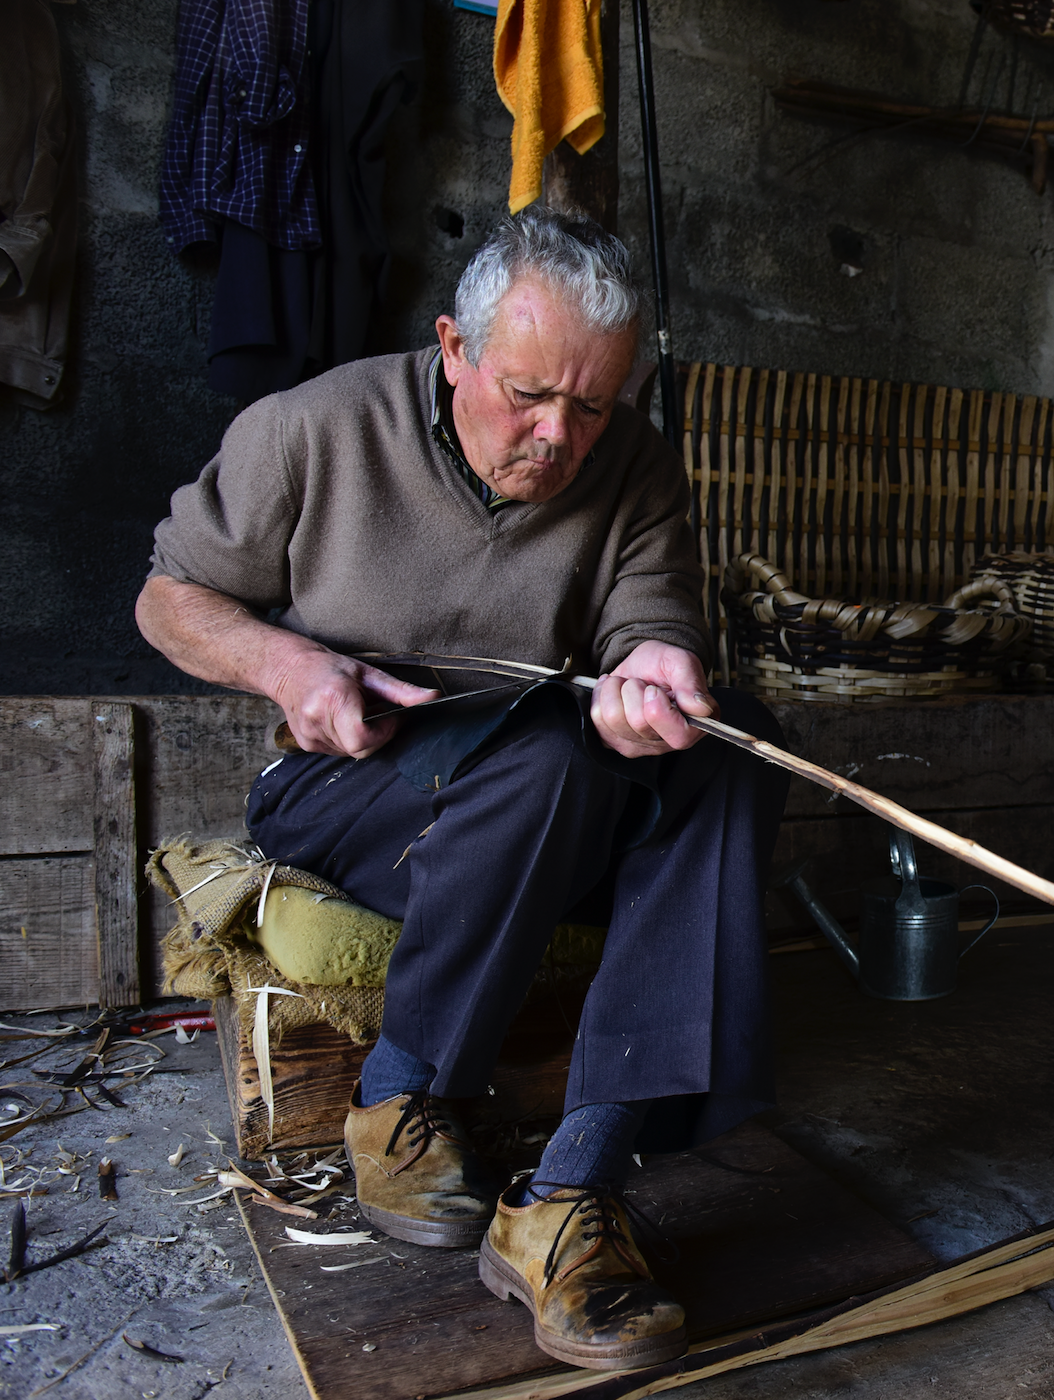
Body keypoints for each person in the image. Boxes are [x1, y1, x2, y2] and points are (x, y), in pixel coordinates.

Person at [135, 210, 788, 1371]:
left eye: (593, 405)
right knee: (549, 753)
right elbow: (169, 597)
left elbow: (650, 616)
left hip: (545, 791)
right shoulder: (313, 428)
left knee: (729, 746)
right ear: (452, 348)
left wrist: (656, 670)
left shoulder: (633, 461)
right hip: (351, 782)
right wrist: (290, 666)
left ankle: (570, 1194)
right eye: (528, 395)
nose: (559, 434)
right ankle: (399, 1095)